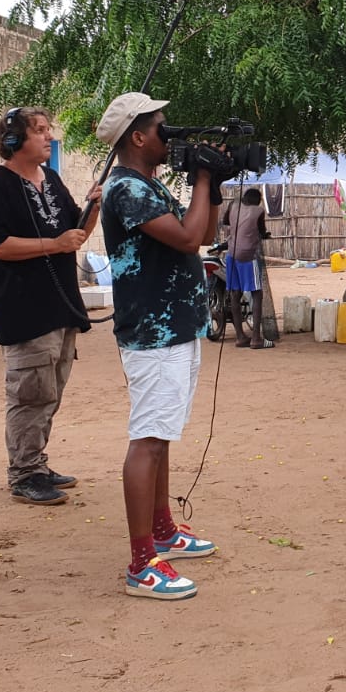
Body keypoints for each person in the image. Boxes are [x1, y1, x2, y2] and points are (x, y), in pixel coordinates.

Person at [96, 92, 222, 601]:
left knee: (162, 432)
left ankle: (165, 529)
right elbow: (190, 241)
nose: (170, 137)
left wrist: (212, 185)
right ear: (138, 136)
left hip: (174, 328)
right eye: (162, 128)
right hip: (153, 331)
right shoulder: (126, 189)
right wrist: (202, 177)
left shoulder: (147, 185)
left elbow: (204, 231)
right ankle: (141, 561)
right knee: (148, 437)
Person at [0, 106, 99, 506]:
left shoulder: (52, 179)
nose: (49, 136)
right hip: (25, 310)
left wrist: (94, 205)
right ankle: (24, 473)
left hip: (61, 308)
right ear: (14, 141)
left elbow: (75, 235)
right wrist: (53, 244)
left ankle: (37, 463)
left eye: (49, 129)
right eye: (40, 130)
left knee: (51, 391)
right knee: (29, 393)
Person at [219, 186, 272, 349]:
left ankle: (240, 337)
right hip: (249, 256)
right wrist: (265, 235)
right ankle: (256, 338)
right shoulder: (259, 211)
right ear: (257, 201)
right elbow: (262, 231)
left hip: (231, 254)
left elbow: (226, 221)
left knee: (235, 293)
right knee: (257, 294)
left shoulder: (233, 206)